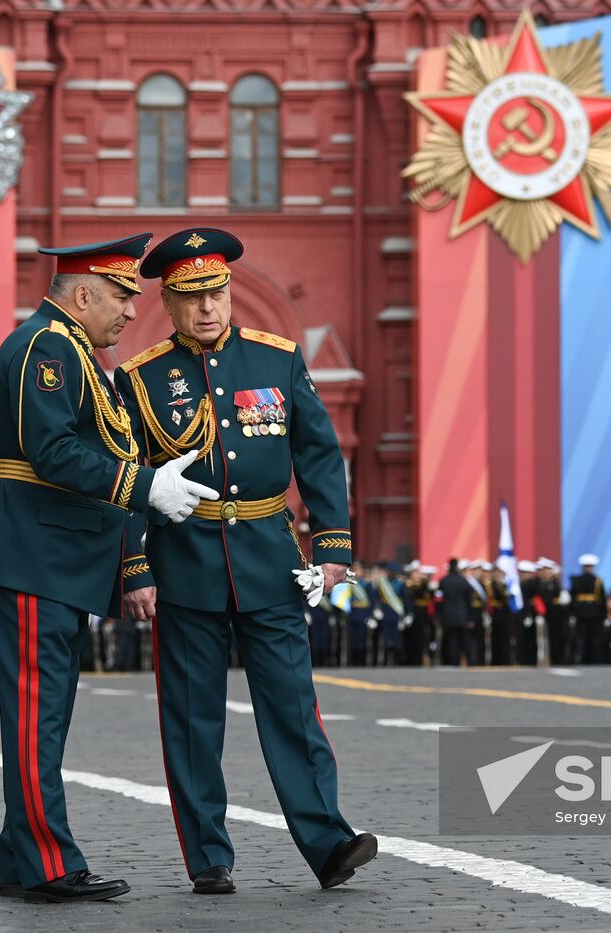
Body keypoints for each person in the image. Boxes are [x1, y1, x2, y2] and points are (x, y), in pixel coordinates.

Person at [0, 232, 214, 904]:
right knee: (36, 712)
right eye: (124, 295)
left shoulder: (66, 348)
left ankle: (25, 858)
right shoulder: (49, 348)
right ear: (82, 294)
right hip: (34, 547)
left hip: (47, 549)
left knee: (43, 711)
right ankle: (47, 863)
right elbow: (52, 453)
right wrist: (144, 486)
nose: (132, 311)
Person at [118, 227, 376, 895]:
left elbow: (319, 454)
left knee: (294, 709)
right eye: (191, 296)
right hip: (186, 565)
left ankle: (329, 844)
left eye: (217, 292)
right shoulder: (141, 379)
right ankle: (207, 857)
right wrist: (134, 564)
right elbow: (125, 477)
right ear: (169, 302)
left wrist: (334, 549)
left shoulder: (279, 359)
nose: (208, 307)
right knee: (193, 720)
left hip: (269, 560)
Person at [570, 555, 606, 664]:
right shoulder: (581, 580)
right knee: (582, 637)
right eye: (587, 566)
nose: (588, 568)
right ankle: (582, 658)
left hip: (591, 612)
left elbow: (602, 599)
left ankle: (593, 659)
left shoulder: (597, 581)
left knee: (593, 638)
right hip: (587, 612)